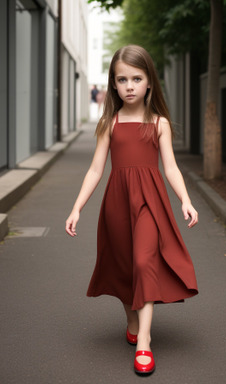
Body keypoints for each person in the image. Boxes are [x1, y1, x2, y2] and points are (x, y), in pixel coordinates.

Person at [66, 45, 198, 376]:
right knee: (125, 265)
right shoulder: (109, 123)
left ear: (149, 82)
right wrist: (77, 207)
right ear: (113, 84)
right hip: (116, 203)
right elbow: (96, 169)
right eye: (121, 79)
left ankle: (144, 343)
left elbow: (170, 168)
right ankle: (132, 321)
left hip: (151, 202)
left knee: (144, 262)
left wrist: (185, 199)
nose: (129, 86)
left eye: (136, 78)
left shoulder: (159, 123)